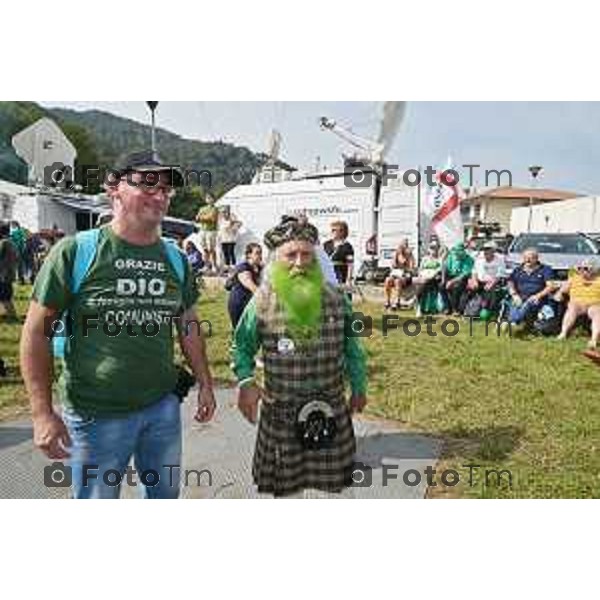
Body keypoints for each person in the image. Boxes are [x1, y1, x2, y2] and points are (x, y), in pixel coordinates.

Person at [20, 150, 217, 499]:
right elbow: (36, 332)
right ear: (114, 188)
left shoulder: (176, 257)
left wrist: (204, 381)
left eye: (167, 189)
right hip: (97, 414)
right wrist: (42, 413)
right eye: (147, 184)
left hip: (162, 407)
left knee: (164, 499)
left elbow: (187, 323)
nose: (160, 195)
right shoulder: (75, 252)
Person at [232, 216, 367, 497]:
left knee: (335, 491)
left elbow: (353, 348)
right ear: (275, 259)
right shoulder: (261, 301)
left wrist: (359, 387)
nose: (299, 262)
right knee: (287, 490)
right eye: (290, 254)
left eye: (306, 254)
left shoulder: (338, 299)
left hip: (331, 407)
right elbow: (241, 347)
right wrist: (246, 383)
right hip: (281, 412)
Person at [506, 248, 555, 329]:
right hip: (520, 296)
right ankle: (514, 322)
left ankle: (513, 321)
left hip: (537, 298)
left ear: (536, 258)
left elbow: (550, 286)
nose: (527, 260)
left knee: (528, 303)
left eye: (531, 257)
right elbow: (510, 283)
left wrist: (538, 296)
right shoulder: (518, 269)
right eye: (525, 257)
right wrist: (514, 295)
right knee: (515, 302)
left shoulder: (545, 269)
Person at [556, 261, 600, 348]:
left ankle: (594, 339)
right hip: (577, 304)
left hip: (594, 304)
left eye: (586, 268)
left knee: (597, 313)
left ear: (594, 270)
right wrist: (559, 294)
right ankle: (563, 333)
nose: (582, 270)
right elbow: (562, 290)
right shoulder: (574, 279)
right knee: (572, 308)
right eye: (580, 268)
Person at [465, 241, 507, 316]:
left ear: (494, 251)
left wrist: (492, 283)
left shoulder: (500, 260)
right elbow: (474, 271)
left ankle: (487, 309)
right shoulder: (479, 259)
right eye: (484, 249)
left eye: (488, 249)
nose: (485, 251)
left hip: (495, 282)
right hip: (480, 281)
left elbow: (500, 274)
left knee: (490, 291)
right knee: (469, 287)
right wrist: (474, 280)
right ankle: (467, 309)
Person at [227, 243, 263, 329]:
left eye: (261, 253)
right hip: (239, 303)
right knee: (240, 330)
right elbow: (250, 285)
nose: (260, 256)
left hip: (250, 302)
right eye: (257, 253)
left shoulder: (259, 267)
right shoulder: (243, 268)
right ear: (249, 254)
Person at [441, 242, 474, 315]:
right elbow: (444, 267)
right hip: (451, 276)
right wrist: (443, 280)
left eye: (458, 251)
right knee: (441, 286)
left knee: (457, 287)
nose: (456, 253)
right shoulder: (451, 256)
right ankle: (447, 308)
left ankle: (455, 309)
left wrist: (451, 282)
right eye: (455, 251)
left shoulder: (468, 259)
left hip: (462, 278)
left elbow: (464, 275)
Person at [383, 239, 416, 310]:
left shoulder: (410, 255)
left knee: (398, 281)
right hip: (396, 274)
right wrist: (396, 258)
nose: (403, 247)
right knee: (387, 280)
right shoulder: (397, 254)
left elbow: (412, 268)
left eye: (405, 245)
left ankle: (396, 302)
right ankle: (387, 301)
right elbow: (393, 266)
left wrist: (405, 268)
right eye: (402, 245)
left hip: (405, 275)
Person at [413, 241, 443, 317]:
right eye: (431, 248)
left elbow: (440, 270)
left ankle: (418, 305)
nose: (433, 250)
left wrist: (431, 275)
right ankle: (419, 306)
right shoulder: (424, 259)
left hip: (434, 278)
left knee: (423, 284)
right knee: (421, 284)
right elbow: (420, 269)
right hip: (424, 277)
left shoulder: (439, 259)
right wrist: (421, 276)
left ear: (438, 249)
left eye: (435, 248)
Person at [323, 220, 354, 287]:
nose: (333, 232)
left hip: (340, 275)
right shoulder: (326, 244)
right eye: (332, 230)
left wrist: (348, 280)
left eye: (335, 230)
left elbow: (350, 264)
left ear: (342, 232)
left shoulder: (347, 246)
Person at [195, 194, 219, 273]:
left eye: (210, 198)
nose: (209, 199)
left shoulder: (215, 209)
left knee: (211, 249)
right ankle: (206, 265)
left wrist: (203, 217)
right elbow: (197, 218)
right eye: (207, 198)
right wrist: (205, 217)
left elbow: (212, 219)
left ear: (213, 199)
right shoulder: (202, 208)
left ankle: (214, 266)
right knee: (205, 249)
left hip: (211, 231)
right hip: (203, 230)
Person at [0, 222, 18, 320]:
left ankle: (12, 315)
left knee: (5, 296)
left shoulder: (3, 243)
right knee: (6, 296)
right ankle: (10, 314)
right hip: (9, 274)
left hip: (4, 275)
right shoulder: (11, 242)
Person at [218, 206, 241, 272]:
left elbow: (239, 224)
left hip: (231, 239)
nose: (224, 214)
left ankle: (233, 266)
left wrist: (233, 227)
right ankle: (227, 266)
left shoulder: (232, 219)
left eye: (225, 212)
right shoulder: (221, 220)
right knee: (225, 253)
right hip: (223, 239)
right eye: (223, 212)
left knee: (231, 252)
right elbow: (220, 229)